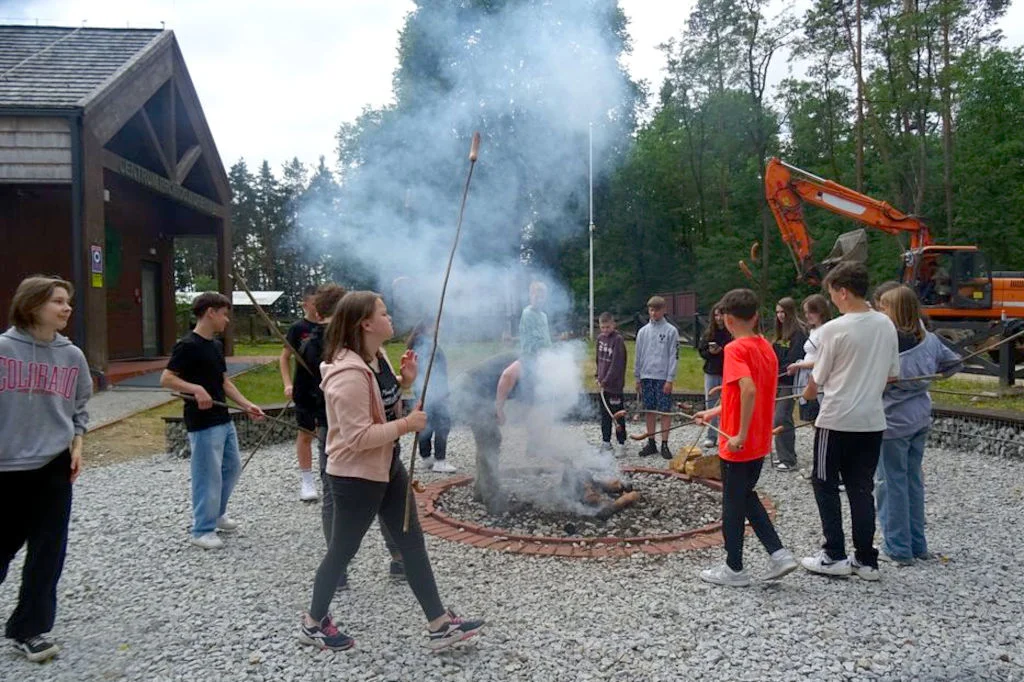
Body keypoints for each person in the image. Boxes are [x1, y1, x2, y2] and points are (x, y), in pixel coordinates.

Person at [299, 291, 484, 652]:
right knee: (342, 551)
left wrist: (406, 383)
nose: (390, 318)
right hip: (355, 476)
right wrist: (407, 425)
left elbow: (382, 406)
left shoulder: (377, 357)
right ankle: (312, 623)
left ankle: (439, 625)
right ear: (365, 323)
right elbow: (356, 437)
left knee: (411, 543)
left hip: (387, 465)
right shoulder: (347, 375)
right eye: (383, 313)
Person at [1, 275, 92, 662]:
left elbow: (80, 405)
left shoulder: (73, 356)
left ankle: (30, 628)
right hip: (5, 469)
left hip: (53, 467)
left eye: (67, 301)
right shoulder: (3, 351)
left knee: (48, 552)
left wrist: (77, 444)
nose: (67, 307)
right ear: (32, 304)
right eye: (57, 301)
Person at [800, 263, 900, 581]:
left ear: (843, 291)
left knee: (824, 483)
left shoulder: (834, 329)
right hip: (872, 421)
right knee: (861, 488)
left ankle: (834, 554)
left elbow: (816, 381)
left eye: (833, 295)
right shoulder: (886, 324)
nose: (833, 301)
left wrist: (808, 392)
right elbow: (892, 375)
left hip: (836, 420)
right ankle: (867, 561)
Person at [299, 283, 402, 591]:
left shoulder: (374, 349)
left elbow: (381, 387)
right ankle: (336, 572)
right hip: (340, 437)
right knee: (337, 502)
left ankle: (400, 559)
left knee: (389, 497)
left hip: (383, 441)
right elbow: (308, 393)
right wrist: (317, 421)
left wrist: (403, 382)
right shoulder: (317, 346)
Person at [693, 289, 798, 587]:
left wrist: (738, 433)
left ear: (726, 319)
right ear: (754, 317)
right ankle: (779, 554)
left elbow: (749, 390)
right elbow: (748, 393)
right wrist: (715, 412)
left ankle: (734, 568)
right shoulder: (765, 346)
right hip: (759, 439)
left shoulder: (735, 350)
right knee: (745, 495)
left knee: (732, 502)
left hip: (739, 442)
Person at [160, 292, 266, 550]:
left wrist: (246, 404)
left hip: (222, 417)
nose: (227, 320)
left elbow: (224, 382)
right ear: (210, 312)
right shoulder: (187, 345)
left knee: (232, 467)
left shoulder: (215, 346)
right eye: (224, 313)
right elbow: (166, 379)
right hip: (202, 421)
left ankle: (217, 514)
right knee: (207, 474)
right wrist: (195, 389)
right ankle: (202, 529)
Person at [876, 286, 961, 565]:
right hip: (920, 416)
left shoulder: (890, 344)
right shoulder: (930, 339)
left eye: (885, 307)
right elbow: (953, 364)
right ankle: (917, 544)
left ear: (897, 310)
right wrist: (929, 376)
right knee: (913, 480)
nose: (880, 312)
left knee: (891, 484)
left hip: (893, 422)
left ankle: (898, 548)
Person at [281, 285, 321, 501]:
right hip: (304, 387)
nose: (318, 306)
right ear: (305, 304)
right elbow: (284, 357)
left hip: (325, 386)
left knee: (327, 432)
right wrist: (288, 383)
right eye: (315, 302)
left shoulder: (329, 326)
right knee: (305, 433)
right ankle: (307, 480)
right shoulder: (298, 328)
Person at [496, 280, 551, 424]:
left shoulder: (543, 316)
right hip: (528, 357)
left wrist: (548, 353)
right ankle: (498, 408)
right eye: (535, 296)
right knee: (507, 375)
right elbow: (532, 337)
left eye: (541, 297)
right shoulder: (527, 313)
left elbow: (544, 337)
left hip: (541, 357)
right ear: (530, 296)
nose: (538, 299)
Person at [407, 320, 456, 474]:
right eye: (436, 324)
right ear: (429, 326)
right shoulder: (430, 345)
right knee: (442, 423)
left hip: (421, 390)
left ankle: (426, 457)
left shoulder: (417, 343)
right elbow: (434, 371)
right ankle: (440, 461)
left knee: (424, 424)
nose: (439, 327)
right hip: (434, 391)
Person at [634, 296, 680, 459]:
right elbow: (638, 355)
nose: (654, 313)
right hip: (647, 376)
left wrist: (670, 379)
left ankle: (665, 443)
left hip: (662, 377)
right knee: (650, 411)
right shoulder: (643, 332)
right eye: (651, 310)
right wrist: (637, 377)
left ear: (664, 310)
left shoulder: (671, 331)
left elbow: (674, 356)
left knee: (665, 411)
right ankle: (651, 442)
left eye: (657, 309)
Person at [771, 297, 807, 471]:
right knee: (778, 418)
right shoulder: (779, 333)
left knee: (781, 417)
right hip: (775, 380)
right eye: (777, 312)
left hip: (789, 381)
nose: (780, 315)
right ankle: (784, 454)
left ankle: (789, 460)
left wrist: (778, 368)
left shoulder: (799, 332)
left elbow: (794, 358)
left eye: (783, 311)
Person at [786, 294, 831, 423]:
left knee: (818, 418)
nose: (808, 315)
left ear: (821, 311)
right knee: (811, 419)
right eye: (806, 312)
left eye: (812, 311)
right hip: (806, 377)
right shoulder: (813, 330)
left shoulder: (826, 331)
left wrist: (799, 366)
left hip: (818, 379)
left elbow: (823, 361)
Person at [697, 305, 732, 449]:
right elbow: (701, 350)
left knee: (727, 405)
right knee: (711, 403)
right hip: (711, 371)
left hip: (727, 372)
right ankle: (711, 436)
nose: (718, 319)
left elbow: (734, 351)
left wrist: (722, 351)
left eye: (721, 315)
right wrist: (711, 352)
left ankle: (725, 434)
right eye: (716, 315)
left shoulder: (731, 332)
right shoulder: (709, 332)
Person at [596, 312, 628, 455]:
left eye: (607, 327)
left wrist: (606, 380)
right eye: (602, 327)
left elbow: (616, 365)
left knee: (618, 415)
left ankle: (621, 443)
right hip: (603, 387)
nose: (605, 330)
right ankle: (606, 442)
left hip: (614, 386)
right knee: (605, 415)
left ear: (613, 325)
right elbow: (598, 359)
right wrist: (598, 375)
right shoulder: (600, 339)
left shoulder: (618, 340)